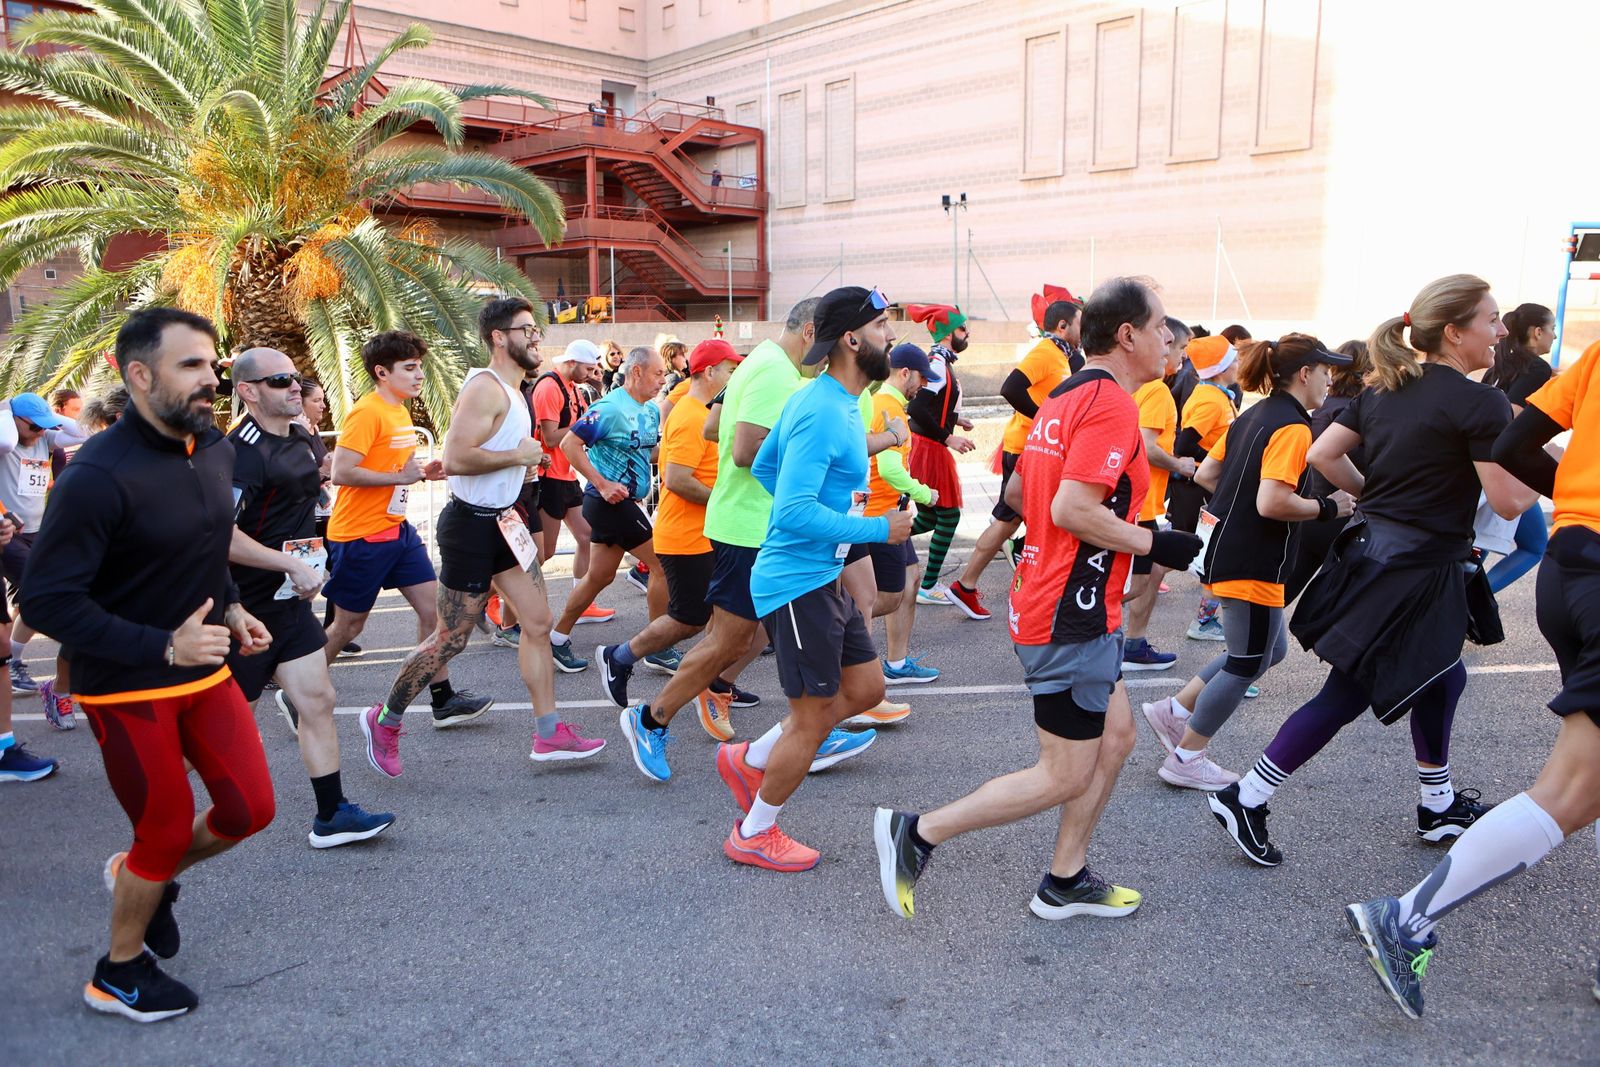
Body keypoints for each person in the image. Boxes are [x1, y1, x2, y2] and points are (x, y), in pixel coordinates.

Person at [872, 277, 1201, 919]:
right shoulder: (1111, 405)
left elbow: (1025, 497)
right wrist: (1154, 544)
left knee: (1117, 739)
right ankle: (917, 833)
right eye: (1162, 325)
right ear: (1127, 335)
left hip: (1060, 602)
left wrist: (1100, 545)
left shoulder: (1065, 396)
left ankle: (1065, 878)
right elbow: (1073, 507)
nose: (1170, 338)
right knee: (1064, 773)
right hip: (1069, 616)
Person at [1207, 275, 1538, 867]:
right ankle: (1247, 795)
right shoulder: (1477, 401)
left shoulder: (1386, 387)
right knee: (1348, 690)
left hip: (1377, 556)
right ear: (1455, 332)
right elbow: (1511, 503)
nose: (1501, 330)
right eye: (1491, 319)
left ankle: (1436, 806)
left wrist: (1373, 498)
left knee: (1445, 675)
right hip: (1416, 567)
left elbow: (1322, 455)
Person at [22, 307, 276, 1022]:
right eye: (191, 365)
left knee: (249, 808)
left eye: (212, 362)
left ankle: (141, 876)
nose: (212, 377)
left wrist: (229, 606)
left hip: (205, 671)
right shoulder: (96, 476)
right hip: (126, 683)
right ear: (139, 375)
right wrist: (160, 644)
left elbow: (204, 542)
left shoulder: (214, 447)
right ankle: (118, 969)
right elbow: (44, 600)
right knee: (162, 828)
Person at [1344, 336, 1597, 1020]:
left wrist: (1576, 498)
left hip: (1571, 565)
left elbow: (1518, 445)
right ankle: (1406, 917)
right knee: (1572, 789)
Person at [618, 299, 875, 783]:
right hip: (749, 529)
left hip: (767, 529)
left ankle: (814, 725)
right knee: (728, 641)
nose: (826, 356)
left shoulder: (764, 364)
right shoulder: (775, 373)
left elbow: (716, 427)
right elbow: (743, 451)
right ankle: (650, 718)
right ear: (812, 332)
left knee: (801, 628)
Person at [361, 298, 604, 776]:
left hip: (504, 523)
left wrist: (515, 459)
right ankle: (384, 720)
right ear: (498, 336)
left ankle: (549, 732)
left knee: (537, 623)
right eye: (526, 329)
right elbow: (456, 459)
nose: (537, 337)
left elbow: (463, 458)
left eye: (537, 330)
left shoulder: (516, 392)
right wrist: (518, 455)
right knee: (450, 639)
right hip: (471, 527)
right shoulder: (486, 388)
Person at [718, 284, 912, 871]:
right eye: (882, 327)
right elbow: (794, 510)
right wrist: (877, 530)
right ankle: (754, 832)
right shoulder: (825, 410)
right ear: (852, 339)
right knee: (812, 717)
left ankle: (749, 757)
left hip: (817, 574)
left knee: (867, 690)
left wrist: (833, 523)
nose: (891, 337)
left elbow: (769, 464)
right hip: (796, 583)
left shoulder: (837, 400)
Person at [1141, 334, 1355, 790]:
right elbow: (1272, 502)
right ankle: (1187, 755)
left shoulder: (1253, 413)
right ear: (1304, 374)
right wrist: (1330, 506)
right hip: (1254, 558)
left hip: (1232, 550)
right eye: (1324, 371)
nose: (1328, 379)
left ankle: (1175, 710)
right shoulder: (1294, 427)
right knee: (1246, 662)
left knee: (1265, 652)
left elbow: (1205, 473)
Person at [224, 347, 394, 844]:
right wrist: (290, 562)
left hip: (289, 601)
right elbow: (220, 535)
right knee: (225, 725)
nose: (295, 386)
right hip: (241, 608)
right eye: (280, 380)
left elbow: (316, 485)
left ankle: (331, 815)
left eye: (296, 377)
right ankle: (162, 811)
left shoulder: (301, 434)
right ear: (249, 392)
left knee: (318, 700)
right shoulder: (239, 453)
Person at [319, 332, 490, 725]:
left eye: (420, 367)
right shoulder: (368, 412)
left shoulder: (399, 409)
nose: (419, 376)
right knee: (347, 625)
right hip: (360, 535)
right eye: (410, 368)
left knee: (437, 615)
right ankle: (302, 693)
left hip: (397, 531)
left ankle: (443, 700)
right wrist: (399, 475)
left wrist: (421, 474)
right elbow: (341, 472)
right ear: (382, 372)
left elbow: (394, 474)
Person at [604, 339, 745, 750]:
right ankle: (621, 656)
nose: (735, 376)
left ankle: (713, 686)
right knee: (690, 619)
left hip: (710, 533)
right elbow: (678, 479)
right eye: (730, 368)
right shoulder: (688, 415)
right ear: (708, 372)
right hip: (685, 536)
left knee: (723, 623)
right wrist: (726, 500)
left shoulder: (706, 411)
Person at [944, 293, 1083, 622]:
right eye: (1080, 323)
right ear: (1063, 327)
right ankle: (967, 584)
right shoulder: (1046, 352)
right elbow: (1011, 388)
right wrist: (1043, 420)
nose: (1085, 328)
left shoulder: (1063, 356)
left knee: (1018, 518)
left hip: (1033, 448)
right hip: (1024, 449)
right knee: (1011, 518)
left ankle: (979, 583)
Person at [547, 346, 676, 670]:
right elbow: (568, 444)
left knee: (599, 577)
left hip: (627, 504)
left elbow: (648, 452)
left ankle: (556, 639)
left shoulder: (648, 411)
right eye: (658, 373)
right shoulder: (609, 408)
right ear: (636, 372)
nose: (663, 380)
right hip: (609, 503)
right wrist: (602, 483)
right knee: (661, 565)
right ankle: (657, 647)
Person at [0, 391, 88, 725]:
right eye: (34, 426)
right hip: (9, 531)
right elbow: (8, 441)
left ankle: (16, 661)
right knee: (49, 593)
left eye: (43, 427)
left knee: (32, 602)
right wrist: (7, 411)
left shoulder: (43, 440)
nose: (40, 431)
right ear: (15, 421)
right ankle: (57, 684)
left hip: (39, 530)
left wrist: (41, 421)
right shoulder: (6, 439)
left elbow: (82, 431)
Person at [861, 343, 941, 711]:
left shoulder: (886, 402)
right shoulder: (889, 406)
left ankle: (895, 663)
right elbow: (891, 470)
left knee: (910, 579)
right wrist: (926, 493)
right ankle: (848, 650)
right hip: (878, 515)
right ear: (904, 372)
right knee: (883, 597)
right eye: (922, 378)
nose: (923, 386)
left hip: (888, 510)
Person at [1119, 317, 1195, 671]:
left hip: (1134, 498)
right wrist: (1180, 465)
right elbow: (1146, 446)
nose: (1180, 356)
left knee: (1149, 573)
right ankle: (1128, 643)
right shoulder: (1159, 390)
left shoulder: (1139, 385)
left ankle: (1128, 641)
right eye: (1178, 348)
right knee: (1140, 579)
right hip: (1142, 501)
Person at [530, 339, 614, 658]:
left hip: (566, 476)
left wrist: (596, 385)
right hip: (548, 476)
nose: (592, 372)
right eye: (589, 367)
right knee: (544, 553)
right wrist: (582, 430)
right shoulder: (550, 387)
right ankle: (491, 597)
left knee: (586, 536)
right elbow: (551, 436)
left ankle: (583, 599)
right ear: (572, 363)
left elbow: (598, 420)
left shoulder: (576, 388)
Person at [1284, 339, 1369, 601]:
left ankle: (1245, 643)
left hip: (1313, 509)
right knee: (1348, 605)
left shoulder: (1324, 407)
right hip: (1344, 514)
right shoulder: (1357, 412)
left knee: (1279, 596)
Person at [1480, 302, 1556, 593]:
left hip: (1485, 460)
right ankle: (1474, 602)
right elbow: (1511, 415)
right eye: (1552, 330)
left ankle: (1468, 599)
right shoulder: (1536, 367)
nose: (1554, 337)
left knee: (1482, 540)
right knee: (1535, 545)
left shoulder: (1499, 363)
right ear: (1537, 332)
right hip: (1509, 466)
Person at [904, 304, 976, 606]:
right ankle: (927, 584)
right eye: (962, 329)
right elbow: (918, 407)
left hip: (928, 444)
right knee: (948, 515)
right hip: (929, 447)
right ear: (948, 334)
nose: (967, 334)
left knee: (933, 514)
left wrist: (954, 420)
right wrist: (948, 436)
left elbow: (932, 404)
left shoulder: (940, 361)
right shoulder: (936, 363)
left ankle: (883, 537)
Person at [1170, 334, 1239, 641]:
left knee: (1195, 552)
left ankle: (1205, 619)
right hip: (1199, 486)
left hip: (1199, 484)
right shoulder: (1211, 399)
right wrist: (1217, 461)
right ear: (1221, 367)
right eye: (1233, 359)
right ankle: (1203, 621)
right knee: (1197, 552)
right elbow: (1184, 444)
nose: (1239, 365)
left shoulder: (1215, 393)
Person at [0, 513, 56, 781]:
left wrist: (3, 519)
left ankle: (3, 751)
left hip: (31, 529)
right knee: (48, 591)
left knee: (2, 643)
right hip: (19, 540)